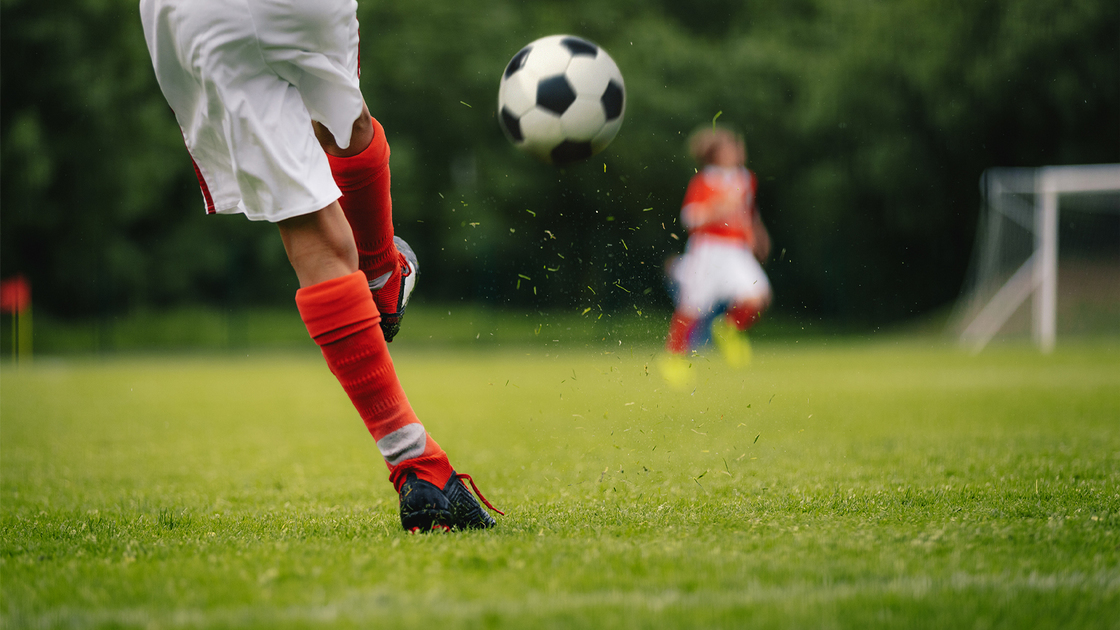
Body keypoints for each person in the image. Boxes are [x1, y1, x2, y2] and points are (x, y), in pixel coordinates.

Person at [139, 0, 501, 531]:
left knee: (310, 229)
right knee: (340, 121)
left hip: (195, 14)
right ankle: (381, 274)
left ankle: (415, 462)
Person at [660, 126, 773, 384]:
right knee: (692, 305)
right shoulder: (704, 182)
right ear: (716, 154)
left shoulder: (745, 179)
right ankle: (673, 357)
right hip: (708, 249)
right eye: (730, 147)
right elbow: (689, 217)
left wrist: (758, 234)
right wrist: (715, 209)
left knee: (758, 297)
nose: (736, 151)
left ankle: (729, 327)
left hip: (737, 250)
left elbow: (748, 213)